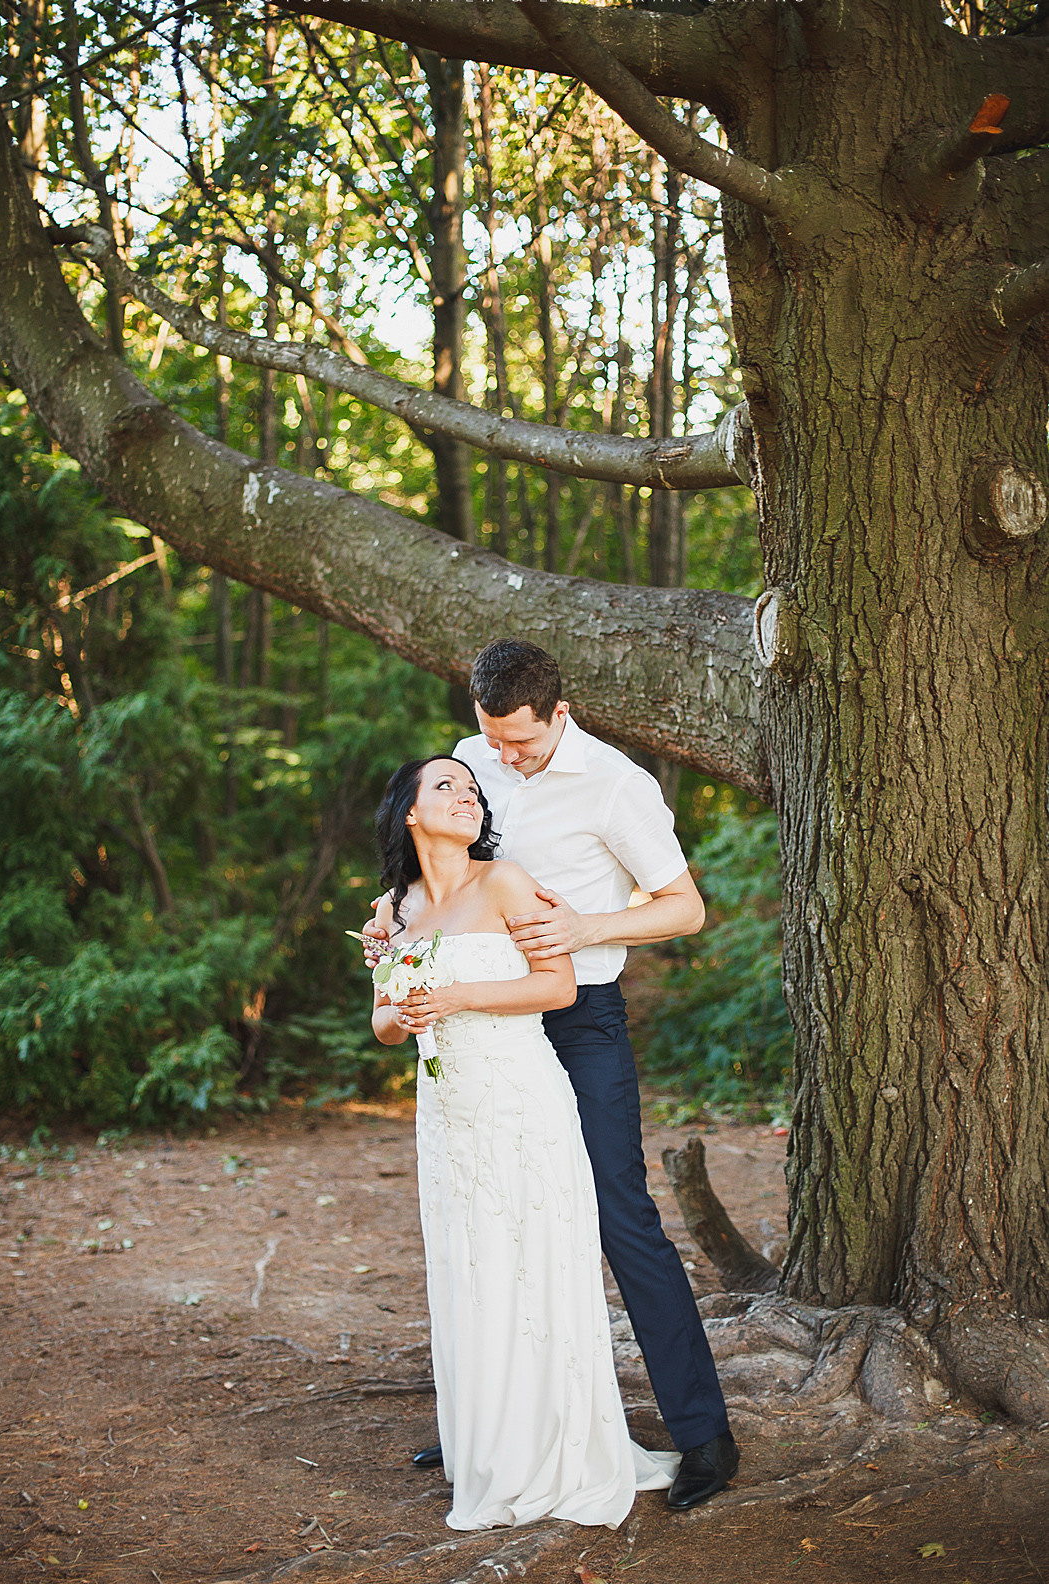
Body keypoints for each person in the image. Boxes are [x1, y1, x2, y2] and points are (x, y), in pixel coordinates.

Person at [409, 639, 738, 1511]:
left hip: (577, 1021)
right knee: (495, 1213)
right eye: (489, 739)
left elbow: (685, 906)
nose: (499, 758)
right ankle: (492, 1423)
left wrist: (587, 928)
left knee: (618, 1215)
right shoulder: (474, 758)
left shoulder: (617, 786)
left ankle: (703, 1436)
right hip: (485, 1024)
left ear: (557, 712)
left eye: (518, 742)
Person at [368, 754, 680, 1530]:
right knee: (469, 1267)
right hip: (444, 1114)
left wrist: (460, 995)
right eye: (446, 786)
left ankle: (556, 1447)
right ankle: (485, 1445)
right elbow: (380, 1020)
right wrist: (404, 1011)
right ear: (408, 811)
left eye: (472, 789)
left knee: (532, 1260)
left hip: (520, 1097)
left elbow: (559, 987)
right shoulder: (390, 909)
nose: (466, 796)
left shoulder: (504, 881)